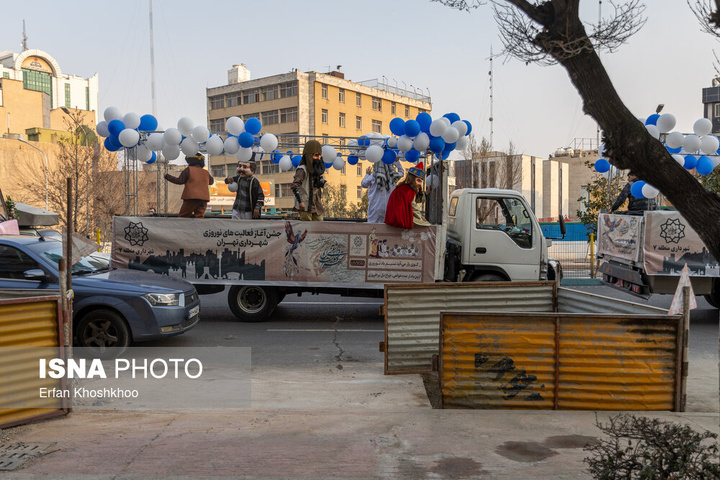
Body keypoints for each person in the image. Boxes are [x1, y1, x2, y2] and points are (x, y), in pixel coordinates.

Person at [164, 153, 213, 218]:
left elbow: (180, 181)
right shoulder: (206, 172)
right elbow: (211, 182)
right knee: (199, 218)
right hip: (203, 200)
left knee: (183, 217)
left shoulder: (189, 169)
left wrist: (167, 176)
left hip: (191, 198)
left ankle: (184, 228)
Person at [384, 162, 426, 229]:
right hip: (401, 222)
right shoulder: (409, 191)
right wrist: (420, 218)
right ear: (412, 179)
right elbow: (414, 207)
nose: (419, 184)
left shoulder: (401, 188)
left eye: (421, 181)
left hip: (391, 220)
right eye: (418, 180)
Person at [292, 140, 326, 221]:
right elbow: (294, 186)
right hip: (305, 205)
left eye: (320, 155)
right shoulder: (302, 169)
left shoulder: (316, 169)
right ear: (309, 156)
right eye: (316, 155)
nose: (319, 158)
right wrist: (300, 202)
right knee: (306, 229)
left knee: (319, 226)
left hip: (316, 205)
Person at [224, 153, 264, 219]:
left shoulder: (254, 182)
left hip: (248, 211)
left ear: (252, 170)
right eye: (240, 166)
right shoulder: (238, 178)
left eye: (245, 167)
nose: (241, 169)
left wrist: (257, 208)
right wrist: (229, 180)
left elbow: (260, 196)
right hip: (237, 209)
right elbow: (226, 181)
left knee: (247, 228)